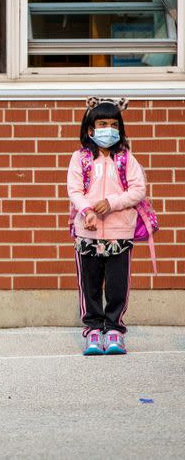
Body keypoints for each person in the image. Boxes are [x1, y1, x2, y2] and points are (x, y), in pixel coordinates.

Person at [67, 97, 146, 356]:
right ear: (90, 129)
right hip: (87, 234)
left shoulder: (126, 159)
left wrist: (111, 203)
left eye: (114, 124)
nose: (108, 129)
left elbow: (138, 190)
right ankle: (92, 331)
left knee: (117, 286)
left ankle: (113, 330)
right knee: (89, 285)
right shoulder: (80, 159)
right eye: (102, 123)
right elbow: (74, 191)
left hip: (119, 235)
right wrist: (87, 210)